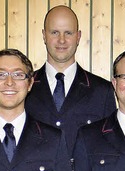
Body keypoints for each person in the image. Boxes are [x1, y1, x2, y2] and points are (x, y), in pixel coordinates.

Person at [26, 5, 116, 156]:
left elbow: (110, 146)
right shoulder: (24, 87)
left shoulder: (102, 90)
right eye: (54, 32)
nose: (62, 40)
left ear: (78, 36)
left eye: (68, 33)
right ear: (44, 35)